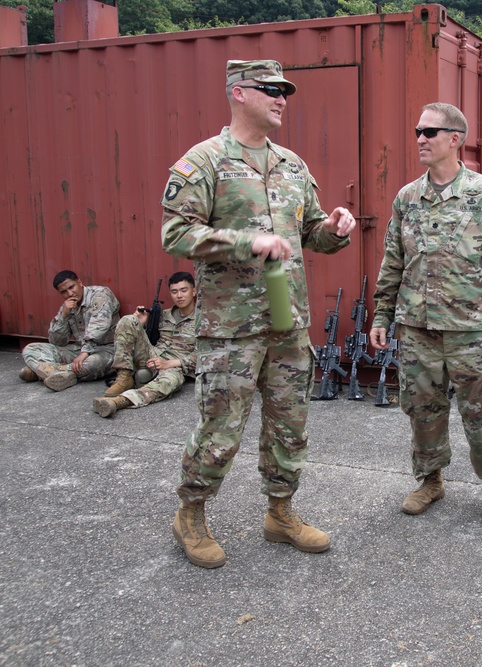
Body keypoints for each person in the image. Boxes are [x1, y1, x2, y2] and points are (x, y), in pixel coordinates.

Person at [161, 59, 357, 569]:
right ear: (238, 93)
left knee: (289, 426)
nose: (281, 98)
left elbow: (311, 231)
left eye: (285, 91)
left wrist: (334, 229)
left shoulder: (292, 165)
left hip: (287, 323)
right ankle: (192, 514)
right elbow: (175, 234)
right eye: (270, 89)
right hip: (232, 329)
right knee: (220, 429)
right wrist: (248, 242)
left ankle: (280, 513)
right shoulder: (204, 163)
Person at [370, 102, 482, 530]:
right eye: (418, 131)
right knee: (422, 411)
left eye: (430, 132)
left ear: (455, 139)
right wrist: (382, 314)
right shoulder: (407, 198)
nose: (420, 138)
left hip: (471, 330)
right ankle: (431, 480)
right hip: (417, 328)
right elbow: (393, 261)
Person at [92, 272, 197, 418]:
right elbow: (148, 340)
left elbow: (205, 354)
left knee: (170, 382)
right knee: (129, 320)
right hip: (152, 355)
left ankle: (118, 402)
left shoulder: (204, 320)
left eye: (183, 290)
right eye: (174, 291)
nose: (179, 295)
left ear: (194, 291)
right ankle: (124, 377)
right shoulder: (163, 315)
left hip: (175, 366)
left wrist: (169, 363)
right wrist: (141, 325)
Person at [20, 270, 120, 392]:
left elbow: (99, 326)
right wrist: (63, 316)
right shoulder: (67, 307)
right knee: (30, 349)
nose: (70, 293)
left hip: (107, 349)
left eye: (71, 287)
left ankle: (39, 371)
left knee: (90, 365)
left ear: (79, 282)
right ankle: (54, 373)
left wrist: (85, 353)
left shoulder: (100, 295)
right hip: (79, 349)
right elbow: (57, 342)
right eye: (64, 292)